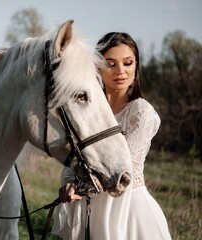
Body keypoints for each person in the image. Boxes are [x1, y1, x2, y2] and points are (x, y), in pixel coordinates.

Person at [51, 32, 172, 240]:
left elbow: (125, 167)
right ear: (98, 67)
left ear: (136, 66)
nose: (121, 71)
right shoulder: (88, 111)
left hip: (126, 211)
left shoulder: (141, 112)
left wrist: (81, 187)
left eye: (127, 63)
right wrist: (68, 183)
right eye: (111, 63)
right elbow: (73, 157)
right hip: (88, 210)